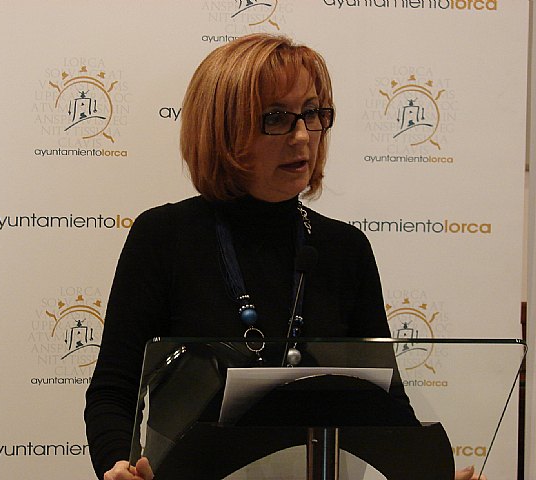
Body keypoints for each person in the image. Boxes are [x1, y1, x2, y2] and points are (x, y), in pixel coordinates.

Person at [84, 34, 486, 480]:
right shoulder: (164, 236)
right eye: (276, 118)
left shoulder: (345, 248)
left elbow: (387, 405)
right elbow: (114, 390)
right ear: (223, 129)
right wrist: (118, 465)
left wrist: (428, 474)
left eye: (312, 114)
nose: (301, 136)